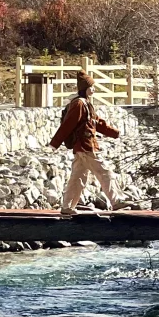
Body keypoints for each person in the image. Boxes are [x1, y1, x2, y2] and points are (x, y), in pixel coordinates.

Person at [50, 71, 122, 214]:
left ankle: (67, 207)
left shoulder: (86, 104)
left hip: (83, 147)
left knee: (78, 177)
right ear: (85, 88)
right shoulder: (79, 104)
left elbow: (97, 123)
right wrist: (54, 143)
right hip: (86, 146)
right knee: (104, 171)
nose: (94, 89)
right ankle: (117, 201)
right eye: (92, 87)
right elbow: (68, 125)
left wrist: (114, 133)